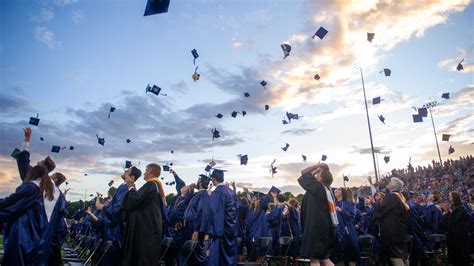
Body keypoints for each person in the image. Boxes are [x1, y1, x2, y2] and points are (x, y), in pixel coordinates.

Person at [0, 165, 65, 265]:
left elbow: (10, 205)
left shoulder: (32, 187)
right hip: (43, 242)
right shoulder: (58, 196)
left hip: (23, 238)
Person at [121, 165, 164, 266]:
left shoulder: (151, 185)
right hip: (147, 232)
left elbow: (133, 201)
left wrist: (131, 186)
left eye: (145, 170)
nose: (144, 173)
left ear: (150, 171)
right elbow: (139, 200)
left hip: (145, 234)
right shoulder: (155, 187)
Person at [298, 163, 338, 266]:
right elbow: (307, 176)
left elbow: (304, 173)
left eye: (318, 173)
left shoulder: (318, 188)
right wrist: (318, 170)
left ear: (321, 178)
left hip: (316, 228)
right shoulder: (323, 189)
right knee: (323, 259)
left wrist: (317, 165)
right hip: (321, 228)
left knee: (314, 260)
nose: (315, 175)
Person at [96, 168, 136, 265]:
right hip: (113, 230)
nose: (125, 171)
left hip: (115, 232)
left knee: (110, 260)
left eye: (128, 171)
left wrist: (103, 208)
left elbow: (117, 210)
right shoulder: (122, 187)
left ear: (132, 177)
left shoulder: (126, 188)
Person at [373, 177, 409, 266]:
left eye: (390, 182)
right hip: (400, 230)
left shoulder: (392, 196)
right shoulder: (401, 197)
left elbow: (381, 210)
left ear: (393, 186)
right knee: (402, 254)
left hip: (392, 231)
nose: (388, 184)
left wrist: (376, 203)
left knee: (395, 255)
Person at [207, 169, 238, 265]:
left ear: (213, 179)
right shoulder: (231, 192)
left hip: (221, 232)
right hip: (231, 229)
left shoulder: (217, 192)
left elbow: (214, 213)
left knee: (219, 261)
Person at [181, 174, 211, 265]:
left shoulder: (203, 195)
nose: (196, 182)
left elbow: (202, 214)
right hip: (190, 227)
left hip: (195, 228)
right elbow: (186, 203)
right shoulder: (198, 194)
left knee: (196, 254)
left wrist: (196, 230)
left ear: (201, 183)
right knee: (190, 254)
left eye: (198, 180)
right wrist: (190, 191)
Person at [442, 191, 470, 266]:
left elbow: (454, 220)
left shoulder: (460, 207)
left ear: (454, 197)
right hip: (454, 235)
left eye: (450, 196)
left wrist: (449, 212)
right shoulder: (454, 207)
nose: (449, 197)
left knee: (461, 253)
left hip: (460, 235)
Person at [333, 188, 359, 266]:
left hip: (347, 233)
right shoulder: (333, 203)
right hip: (336, 233)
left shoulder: (349, 203)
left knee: (351, 257)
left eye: (339, 190)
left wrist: (341, 210)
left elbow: (351, 217)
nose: (336, 191)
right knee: (339, 258)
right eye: (335, 190)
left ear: (343, 192)